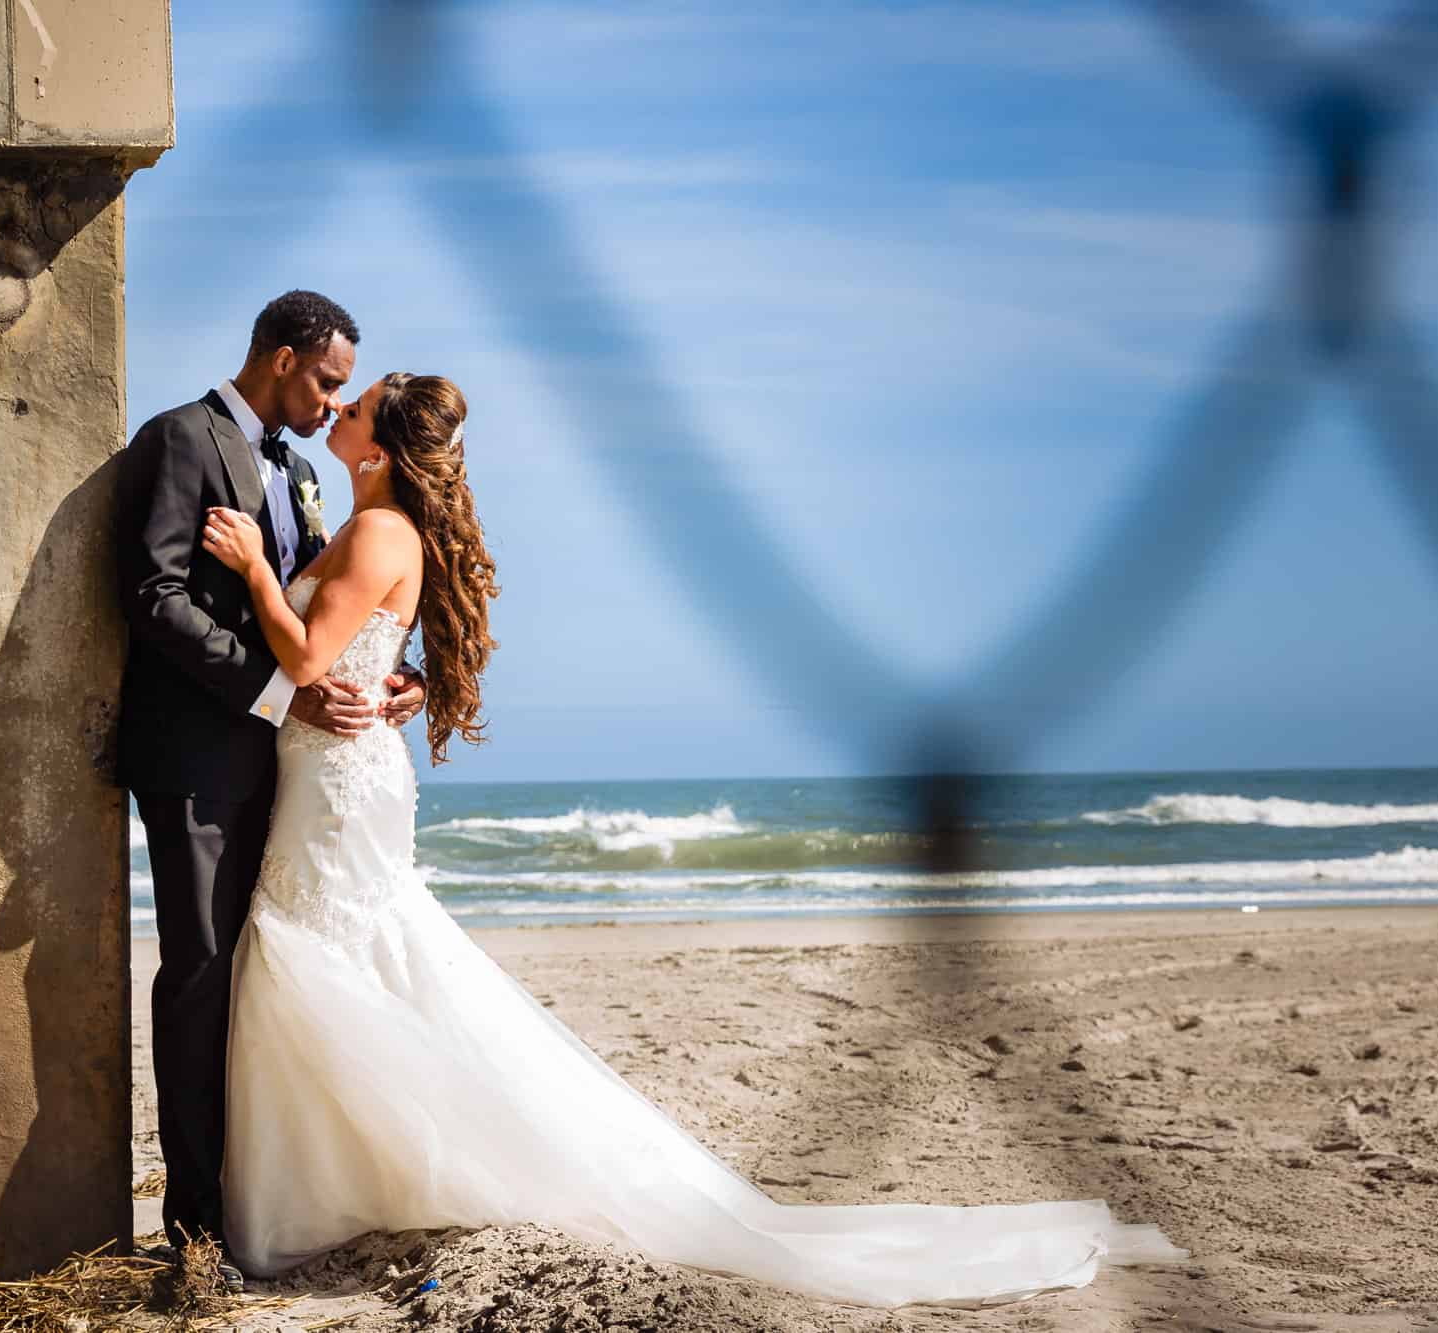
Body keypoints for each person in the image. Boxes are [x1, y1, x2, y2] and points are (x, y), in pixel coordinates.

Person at [198, 372, 1187, 1309]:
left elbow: (308, 652)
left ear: (384, 443)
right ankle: (358, 1175)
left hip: (336, 784)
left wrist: (250, 568)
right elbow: (353, 650)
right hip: (342, 773)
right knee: (351, 954)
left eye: (357, 406)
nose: (338, 411)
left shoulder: (375, 529)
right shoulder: (381, 524)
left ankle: (342, 1189)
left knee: (317, 950)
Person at [114, 290, 424, 1286]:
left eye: (346, 392)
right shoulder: (179, 438)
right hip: (198, 761)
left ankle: (266, 1195)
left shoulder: (297, 471)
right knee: (201, 978)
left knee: (264, 989)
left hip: (290, 777)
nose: (335, 404)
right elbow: (153, 596)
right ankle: (196, 1231)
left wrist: (396, 675)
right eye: (328, 380)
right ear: (284, 357)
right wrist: (270, 696)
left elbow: (329, 618)